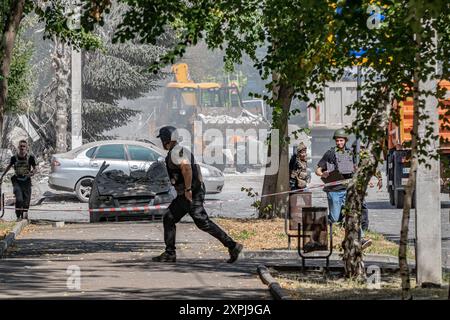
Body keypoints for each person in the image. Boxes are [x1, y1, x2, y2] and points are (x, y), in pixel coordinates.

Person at [152, 126, 243, 263]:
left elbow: (187, 168)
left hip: (190, 193)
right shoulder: (181, 150)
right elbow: (197, 169)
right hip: (191, 192)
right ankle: (170, 253)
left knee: (201, 221)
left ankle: (232, 245)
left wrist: (189, 190)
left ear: (166, 139)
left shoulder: (177, 152)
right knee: (170, 217)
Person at [0, 140, 37, 221]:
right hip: (17, 181)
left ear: (27, 148)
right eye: (21, 146)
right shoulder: (14, 158)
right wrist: (2, 176)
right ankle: (18, 216)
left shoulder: (30, 158)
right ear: (18, 147)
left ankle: (24, 216)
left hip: (27, 181)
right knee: (19, 199)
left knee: (26, 201)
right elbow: (9, 167)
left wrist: (32, 173)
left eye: (24, 146)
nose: (22, 148)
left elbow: (35, 169)